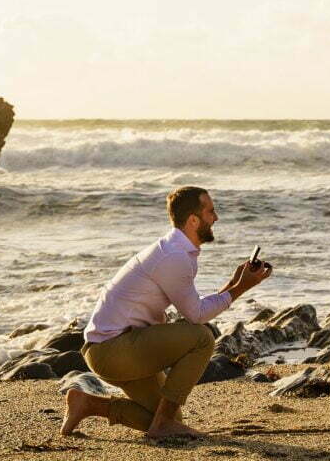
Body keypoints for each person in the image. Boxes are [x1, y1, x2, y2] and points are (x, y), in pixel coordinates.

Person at [60, 186, 272, 438]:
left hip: (117, 347)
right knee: (202, 338)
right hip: (114, 350)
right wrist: (240, 288)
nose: (216, 218)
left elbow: (193, 307)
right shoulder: (173, 256)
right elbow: (196, 316)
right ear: (193, 220)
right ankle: (163, 426)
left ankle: (88, 404)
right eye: (211, 211)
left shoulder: (174, 251)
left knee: (163, 415)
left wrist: (235, 283)